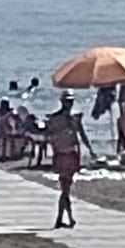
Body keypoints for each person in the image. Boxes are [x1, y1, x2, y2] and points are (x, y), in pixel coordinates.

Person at [43, 93, 92, 230]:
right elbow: (48, 135)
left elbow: (82, 136)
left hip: (71, 154)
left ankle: (65, 219)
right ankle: (66, 218)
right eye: (66, 101)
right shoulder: (56, 119)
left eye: (70, 101)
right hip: (62, 154)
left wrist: (90, 150)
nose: (68, 104)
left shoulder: (74, 118)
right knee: (65, 188)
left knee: (66, 187)